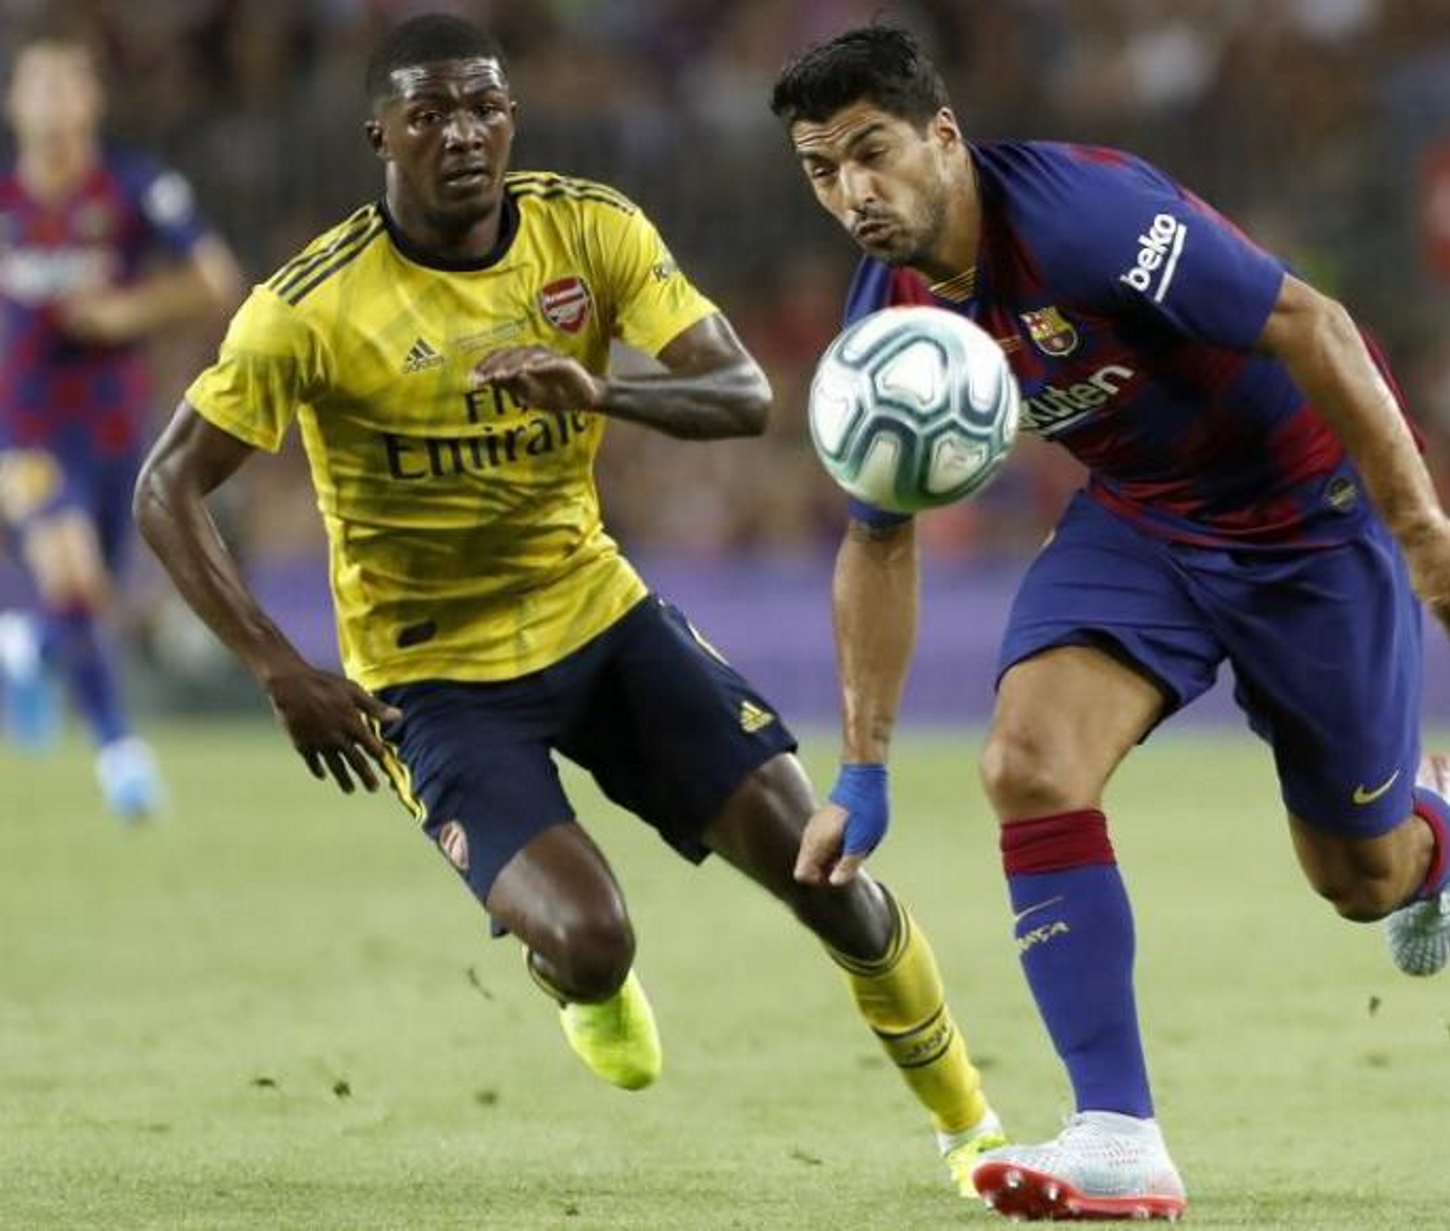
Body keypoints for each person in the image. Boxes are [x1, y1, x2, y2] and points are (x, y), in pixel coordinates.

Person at [134, 13, 1004, 1197]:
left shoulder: (588, 230)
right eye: (429, 113)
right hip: (433, 676)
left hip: (598, 614)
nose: (461, 134)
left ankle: (971, 1129)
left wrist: (601, 393)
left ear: (512, 120)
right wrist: (278, 665)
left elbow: (742, 394)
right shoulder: (310, 307)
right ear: (380, 134)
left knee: (827, 876)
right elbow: (166, 486)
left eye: (483, 108)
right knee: (596, 942)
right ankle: (577, 976)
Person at [771, 25, 1450, 1223]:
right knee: (1026, 763)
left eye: (873, 152)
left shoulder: (1086, 216)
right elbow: (877, 537)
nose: (853, 192)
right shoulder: (893, 326)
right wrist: (860, 767)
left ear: (942, 137)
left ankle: (1437, 825)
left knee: (1360, 881)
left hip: (1306, 516)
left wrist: (1419, 522)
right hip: (1145, 519)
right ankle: (1117, 1134)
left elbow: (1313, 324)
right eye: (822, 170)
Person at [0, 17, 241, 817]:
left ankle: (25, 643)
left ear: (93, 99)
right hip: (22, 430)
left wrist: (124, 310)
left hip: (109, 431)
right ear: (13, 102)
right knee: (69, 570)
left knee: (90, 592)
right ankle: (120, 754)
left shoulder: (135, 187)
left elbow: (215, 279)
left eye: (68, 82)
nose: (53, 98)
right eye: (38, 83)